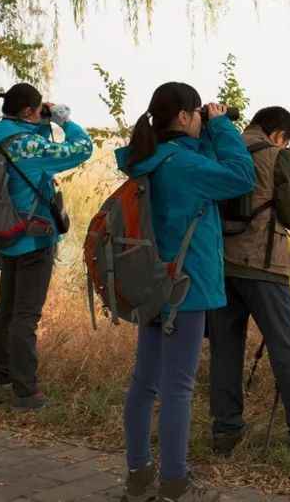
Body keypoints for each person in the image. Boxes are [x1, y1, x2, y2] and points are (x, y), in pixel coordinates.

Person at [116, 83, 255, 502]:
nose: (201, 117)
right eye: (197, 113)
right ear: (182, 116)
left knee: (145, 382)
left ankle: (139, 476)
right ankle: (175, 484)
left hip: (151, 282)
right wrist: (224, 125)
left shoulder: (152, 160)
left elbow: (209, 168)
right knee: (178, 386)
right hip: (185, 288)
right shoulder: (182, 166)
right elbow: (241, 176)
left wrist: (209, 129)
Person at [208, 106, 290, 456]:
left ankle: (226, 430)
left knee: (225, 349)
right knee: (285, 348)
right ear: (279, 135)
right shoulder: (276, 156)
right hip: (263, 265)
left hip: (222, 265)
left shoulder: (223, 148)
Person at [0, 83, 93, 410]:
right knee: (25, 316)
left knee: (6, 311)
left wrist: (42, 125)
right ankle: (26, 392)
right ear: (30, 111)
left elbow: (32, 154)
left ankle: (3, 381)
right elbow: (82, 148)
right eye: (37, 110)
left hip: (8, 236)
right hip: (34, 237)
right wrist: (63, 119)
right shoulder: (29, 145)